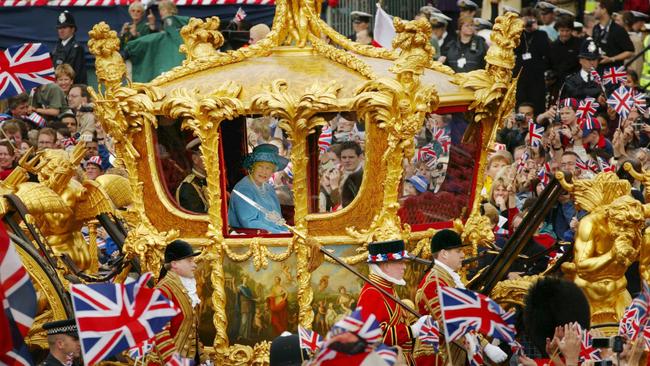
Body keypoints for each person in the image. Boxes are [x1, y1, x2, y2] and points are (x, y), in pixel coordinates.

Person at [414, 229, 507, 365]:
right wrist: (486, 345)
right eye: (458, 251)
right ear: (444, 254)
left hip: (453, 353)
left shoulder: (446, 279)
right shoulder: (434, 282)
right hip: (438, 357)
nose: (463, 255)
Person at [356, 239, 431, 366]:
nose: (404, 266)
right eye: (400, 262)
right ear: (385, 265)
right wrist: (412, 330)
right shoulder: (372, 293)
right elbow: (373, 336)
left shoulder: (386, 288)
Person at [154, 239, 202, 364]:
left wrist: (201, 355)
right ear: (174, 264)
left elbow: (191, 331)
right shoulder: (163, 290)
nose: (194, 265)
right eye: (189, 261)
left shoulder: (186, 287)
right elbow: (159, 333)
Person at [228, 143, 289, 233]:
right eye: (260, 166)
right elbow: (249, 223)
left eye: (268, 168)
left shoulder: (269, 188)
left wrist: (287, 230)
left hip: (273, 236)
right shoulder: (243, 189)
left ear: (273, 171)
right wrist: (279, 233)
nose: (264, 172)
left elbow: (277, 219)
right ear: (252, 167)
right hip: (253, 240)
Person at [514, 7, 551, 117]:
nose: (529, 22)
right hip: (521, 76)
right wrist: (520, 27)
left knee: (537, 105)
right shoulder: (518, 35)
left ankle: (538, 127)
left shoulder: (541, 35)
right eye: (527, 19)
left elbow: (545, 51)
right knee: (520, 104)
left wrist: (537, 29)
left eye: (532, 19)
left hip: (536, 77)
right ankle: (520, 128)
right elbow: (514, 49)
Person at [592, 0, 634, 72]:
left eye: (596, 8)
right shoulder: (596, 28)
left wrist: (611, 59)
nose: (594, 11)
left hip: (614, 73)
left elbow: (630, 52)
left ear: (604, 10)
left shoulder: (618, 30)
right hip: (598, 70)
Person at [51, 11, 86, 84]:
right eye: (59, 28)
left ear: (73, 29)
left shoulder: (77, 48)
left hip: (72, 89)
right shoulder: (55, 49)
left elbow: (79, 76)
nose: (61, 31)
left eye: (64, 27)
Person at [176, 138, 208, 213]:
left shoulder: (210, 181)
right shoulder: (188, 188)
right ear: (195, 159)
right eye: (206, 155)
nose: (212, 159)